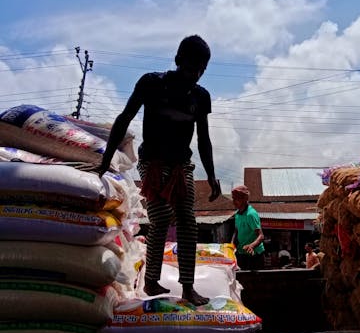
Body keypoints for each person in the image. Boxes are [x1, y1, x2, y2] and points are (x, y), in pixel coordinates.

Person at [95, 35, 221, 306]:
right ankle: (151, 280)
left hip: (180, 166)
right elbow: (124, 118)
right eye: (190, 68)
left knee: (187, 220)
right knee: (161, 217)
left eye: (200, 71)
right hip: (151, 163)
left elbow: (204, 139)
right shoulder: (151, 83)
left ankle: (188, 288)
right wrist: (106, 160)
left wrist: (211, 176)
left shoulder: (200, 97)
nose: (194, 76)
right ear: (177, 61)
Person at [230, 185, 265, 270]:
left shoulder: (251, 214)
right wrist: (231, 244)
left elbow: (261, 236)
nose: (234, 202)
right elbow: (236, 230)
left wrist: (252, 246)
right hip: (242, 253)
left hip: (255, 255)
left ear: (244, 199)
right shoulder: (238, 214)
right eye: (233, 199)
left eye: (236, 199)